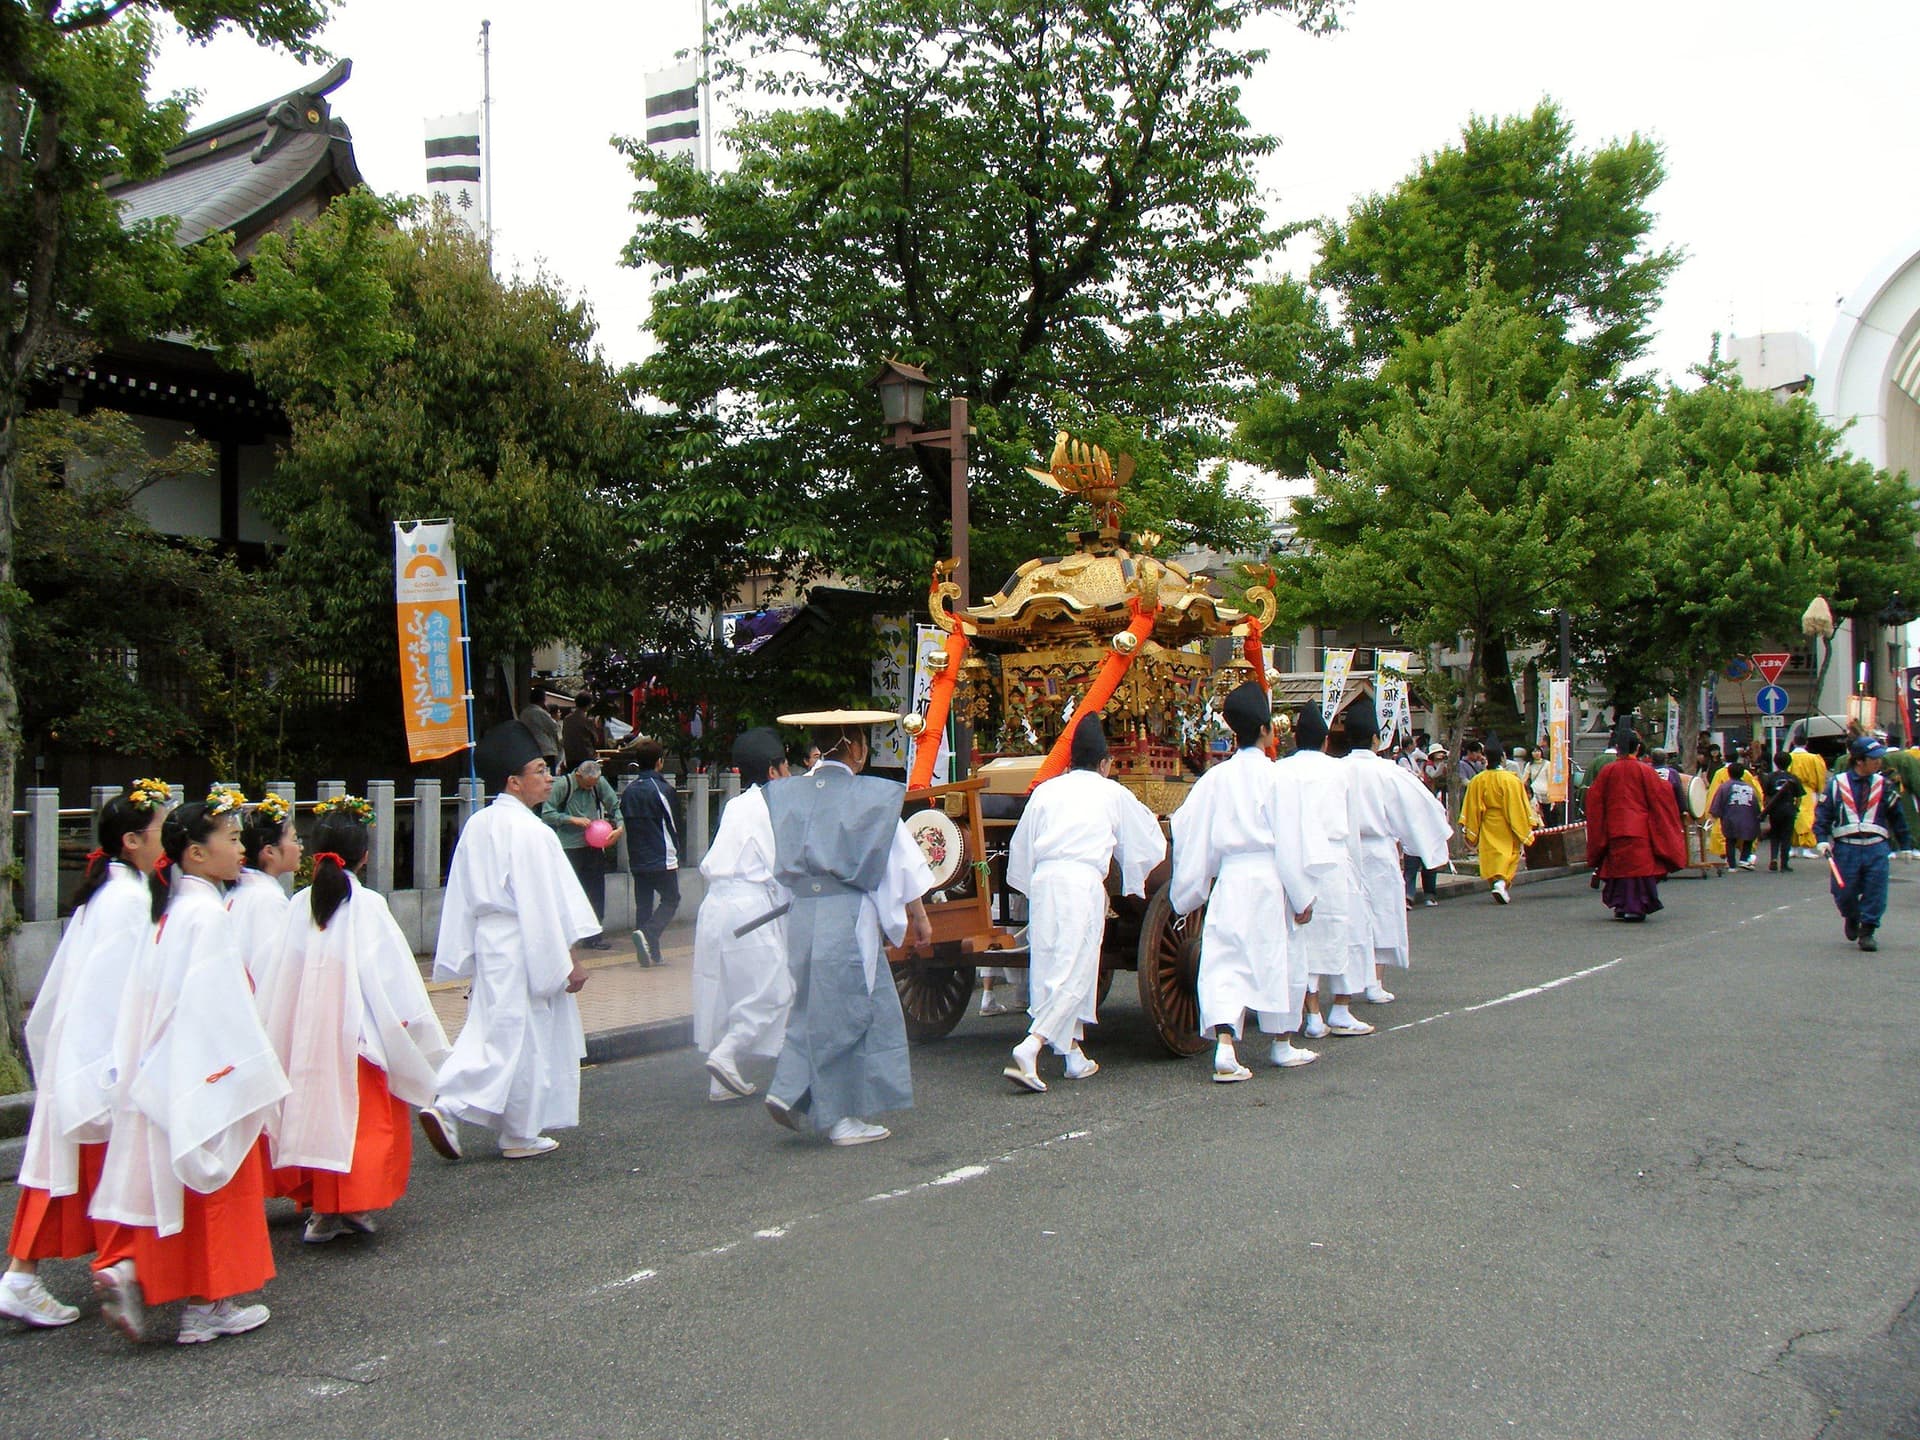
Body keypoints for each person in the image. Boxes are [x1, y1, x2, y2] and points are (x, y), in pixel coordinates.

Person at [89, 793, 290, 1345]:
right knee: (216, 1190)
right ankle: (208, 1305)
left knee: (173, 1186)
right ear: (197, 854)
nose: (242, 848)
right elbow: (218, 1006)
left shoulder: (174, 910)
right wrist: (247, 1070)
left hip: (166, 1068)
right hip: (204, 1065)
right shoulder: (205, 915)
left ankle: (136, 1270)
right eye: (232, 839)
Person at [2, 782, 169, 1328]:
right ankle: (117, 1268)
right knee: (102, 1170)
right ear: (132, 840)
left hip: (83, 1053)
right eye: (161, 830)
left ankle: (28, 1275)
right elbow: (118, 991)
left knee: (61, 1170)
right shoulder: (128, 900)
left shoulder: (114, 891)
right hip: (102, 1056)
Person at [258, 798, 450, 1244]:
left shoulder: (299, 904)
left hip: (307, 1038)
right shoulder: (368, 904)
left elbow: (280, 974)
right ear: (364, 856)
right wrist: (411, 1026)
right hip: (358, 1037)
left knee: (314, 1116)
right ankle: (350, 1204)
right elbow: (393, 974)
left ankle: (322, 1209)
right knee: (361, 1122)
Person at [419, 720, 598, 1162]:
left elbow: (461, 894)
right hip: (524, 941)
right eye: (540, 770)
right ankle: (451, 1105)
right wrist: (569, 959)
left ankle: (517, 1130)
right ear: (514, 782)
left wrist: (463, 949)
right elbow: (545, 903)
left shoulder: (479, 824)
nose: (549, 778)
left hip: (491, 940)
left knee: (507, 1031)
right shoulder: (532, 832)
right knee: (512, 1036)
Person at [762, 710, 934, 1146]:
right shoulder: (871, 797)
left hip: (803, 910)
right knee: (849, 1009)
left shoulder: (786, 794)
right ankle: (838, 1116)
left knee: (811, 1004)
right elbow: (900, 863)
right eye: (863, 744)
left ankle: (790, 1088)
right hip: (846, 911)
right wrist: (918, 916)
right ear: (855, 747)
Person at [1002, 715, 1166, 1091]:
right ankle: (1031, 1046)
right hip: (1080, 881)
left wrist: (1033, 888)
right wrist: (1133, 882)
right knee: (1075, 968)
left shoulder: (1046, 791)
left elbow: (1021, 848)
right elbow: (1147, 840)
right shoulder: (1110, 792)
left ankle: (1072, 1053)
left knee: (1051, 964)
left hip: (1046, 881)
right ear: (1105, 763)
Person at [1170, 682, 1322, 1082]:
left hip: (1232, 879)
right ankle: (1281, 1042)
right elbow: (1292, 841)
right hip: (1270, 878)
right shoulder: (1278, 778)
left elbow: (1188, 827)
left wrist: (1191, 888)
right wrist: (1303, 896)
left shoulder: (1215, 779)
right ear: (1265, 729)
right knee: (1278, 956)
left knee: (1226, 958)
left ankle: (1225, 1046)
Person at [693, 728, 795, 1102]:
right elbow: (783, 867)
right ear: (773, 770)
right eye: (786, 766)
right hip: (749, 907)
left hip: (715, 905)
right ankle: (728, 1051)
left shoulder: (738, 804)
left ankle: (721, 1081)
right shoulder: (770, 805)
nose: (789, 774)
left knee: (724, 989)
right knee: (777, 987)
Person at [1339, 694, 1454, 1005]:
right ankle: (1374, 982)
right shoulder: (1389, 772)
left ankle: (1344, 987)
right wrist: (1424, 845)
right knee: (1380, 915)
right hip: (1377, 850)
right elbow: (1421, 809)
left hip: (1344, 851)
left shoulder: (1336, 770)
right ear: (1376, 739)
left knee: (1349, 917)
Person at [1282, 702, 1364, 1048]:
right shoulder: (1340, 771)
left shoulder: (1281, 770)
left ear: (1295, 737)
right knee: (1343, 930)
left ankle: (1312, 1013)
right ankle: (1341, 1008)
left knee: (1303, 938)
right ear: (1326, 741)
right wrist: (1356, 862)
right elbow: (1352, 821)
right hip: (1334, 855)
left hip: (1298, 858)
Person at [1816, 736, 1913, 952]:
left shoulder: (1884, 785)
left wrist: (1906, 844)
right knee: (1844, 891)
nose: (1879, 762)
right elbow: (1823, 814)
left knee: (1875, 889)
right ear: (1859, 760)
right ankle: (1851, 915)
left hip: (1876, 846)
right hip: (1846, 846)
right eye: (1873, 758)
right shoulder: (1836, 784)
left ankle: (1868, 930)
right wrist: (1821, 839)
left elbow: (1897, 817)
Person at [1583, 722, 1688, 921]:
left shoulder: (1607, 771)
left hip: (1614, 827)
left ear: (1617, 748)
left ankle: (1621, 904)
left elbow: (1594, 799)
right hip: (1640, 828)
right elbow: (1661, 796)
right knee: (1640, 871)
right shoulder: (1645, 771)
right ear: (1638, 748)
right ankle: (1636, 906)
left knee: (1619, 868)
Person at [542, 758, 623, 950]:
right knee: (568, 891)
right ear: (578, 775)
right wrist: (571, 819)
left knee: (596, 890)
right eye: (588, 784)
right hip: (569, 846)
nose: (591, 788)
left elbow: (614, 804)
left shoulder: (598, 783)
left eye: (594, 784)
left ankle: (594, 935)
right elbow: (547, 814)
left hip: (594, 844)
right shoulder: (563, 785)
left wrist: (620, 826)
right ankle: (563, 935)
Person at [620, 738, 684, 967]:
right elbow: (674, 823)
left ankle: (650, 954)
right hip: (661, 854)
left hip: (637, 856)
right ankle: (648, 935)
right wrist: (678, 850)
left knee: (644, 905)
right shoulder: (663, 790)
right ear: (659, 762)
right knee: (671, 899)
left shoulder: (629, 791)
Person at [229, 790, 301, 990]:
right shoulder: (268, 899)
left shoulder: (240, 890)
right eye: (294, 839)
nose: (300, 847)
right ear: (269, 851)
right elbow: (270, 970)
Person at [1460, 740, 1535, 904]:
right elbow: (1517, 806)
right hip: (1507, 823)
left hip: (1487, 823)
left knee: (1491, 855)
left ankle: (1497, 883)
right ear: (1502, 758)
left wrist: (1471, 829)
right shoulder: (1511, 780)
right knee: (1509, 854)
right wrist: (1526, 825)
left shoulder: (1478, 780)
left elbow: (1472, 806)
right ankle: (1501, 883)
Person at [1709, 760, 1764, 870]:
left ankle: (1732, 865)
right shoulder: (1749, 788)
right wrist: (1759, 816)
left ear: (1729, 773)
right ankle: (1744, 859)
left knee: (1730, 840)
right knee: (1748, 838)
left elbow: (1717, 802)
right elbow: (1755, 804)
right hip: (1747, 817)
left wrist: (1714, 814)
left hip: (1730, 817)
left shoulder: (1724, 787)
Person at [1763, 752, 1804, 873]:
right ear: (1789, 763)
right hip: (1788, 808)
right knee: (1786, 836)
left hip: (1774, 809)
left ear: (1775, 762)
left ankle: (1773, 858)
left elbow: (1766, 794)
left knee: (1775, 834)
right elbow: (1799, 797)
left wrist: (1766, 808)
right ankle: (1784, 863)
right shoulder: (1793, 778)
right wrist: (1796, 808)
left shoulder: (1770, 777)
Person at [516, 690, 564, 771]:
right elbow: (554, 727)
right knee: (547, 773)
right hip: (545, 750)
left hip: (529, 749)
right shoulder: (540, 712)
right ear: (543, 700)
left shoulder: (524, 713)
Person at [561, 692, 604, 772]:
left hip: (570, 757)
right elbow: (595, 739)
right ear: (589, 705)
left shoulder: (567, 719)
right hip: (586, 756)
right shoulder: (588, 720)